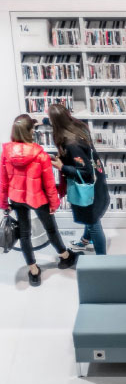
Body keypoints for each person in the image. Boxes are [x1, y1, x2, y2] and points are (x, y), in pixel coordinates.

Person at [0, 114, 78, 285]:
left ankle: (33, 271)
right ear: (28, 132)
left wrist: (4, 203)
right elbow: (49, 185)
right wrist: (54, 203)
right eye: (33, 129)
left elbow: (3, 181)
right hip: (38, 198)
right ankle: (65, 257)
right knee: (51, 229)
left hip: (17, 198)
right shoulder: (40, 155)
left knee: (24, 234)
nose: (34, 132)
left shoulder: (6, 153)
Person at [48, 104, 109, 254]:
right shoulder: (78, 126)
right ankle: (84, 241)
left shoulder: (71, 144)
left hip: (86, 186)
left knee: (93, 222)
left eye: (49, 119)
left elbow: (85, 171)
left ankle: (103, 260)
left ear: (55, 122)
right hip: (97, 178)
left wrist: (62, 167)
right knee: (91, 215)